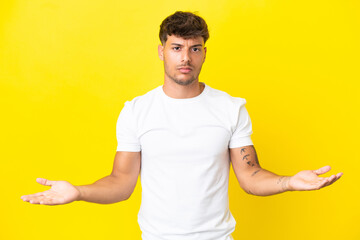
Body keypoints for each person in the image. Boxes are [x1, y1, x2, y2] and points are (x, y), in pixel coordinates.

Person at [21, 11, 343, 240]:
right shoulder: (137, 111)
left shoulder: (231, 108)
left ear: (204, 53)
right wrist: (78, 192)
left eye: (194, 48)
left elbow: (249, 175)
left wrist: (289, 182)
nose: (185, 57)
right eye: (176, 48)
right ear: (162, 51)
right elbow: (121, 182)